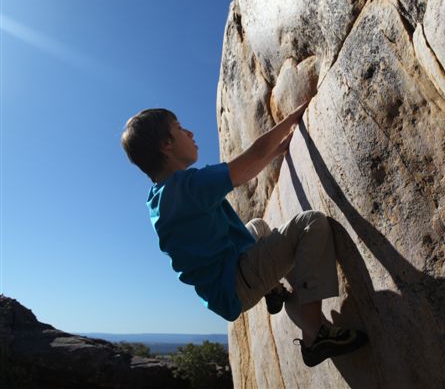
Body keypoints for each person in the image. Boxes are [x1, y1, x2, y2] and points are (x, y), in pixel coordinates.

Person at [121, 102, 367, 367]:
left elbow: (252, 164)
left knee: (258, 226)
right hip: (237, 284)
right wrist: (293, 118)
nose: (190, 134)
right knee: (312, 223)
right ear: (166, 144)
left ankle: (273, 291)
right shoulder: (186, 188)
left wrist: (272, 155)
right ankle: (315, 334)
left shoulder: (160, 197)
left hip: (224, 284)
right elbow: (252, 158)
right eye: (180, 129)